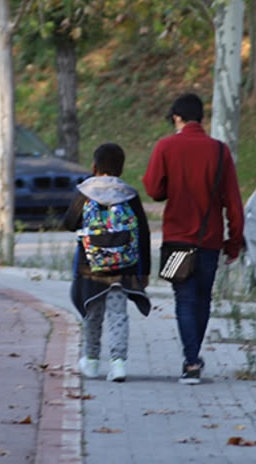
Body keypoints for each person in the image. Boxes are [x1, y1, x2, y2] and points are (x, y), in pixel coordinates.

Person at [142, 93, 244, 384]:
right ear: (201, 117)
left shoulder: (165, 146)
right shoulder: (220, 151)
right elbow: (233, 203)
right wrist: (233, 242)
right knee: (202, 300)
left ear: (177, 117)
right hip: (210, 240)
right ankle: (193, 357)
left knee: (183, 299)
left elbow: (153, 189)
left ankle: (190, 362)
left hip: (176, 240)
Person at [63, 143, 152, 383]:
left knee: (93, 313)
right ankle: (118, 363)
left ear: (94, 167)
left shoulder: (85, 192)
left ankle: (91, 361)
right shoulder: (129, 195)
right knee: (118, 315)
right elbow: (143, 233)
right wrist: (145, 272)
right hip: (123, 267)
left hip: (90, 268)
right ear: (121, 170)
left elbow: (69, 223)